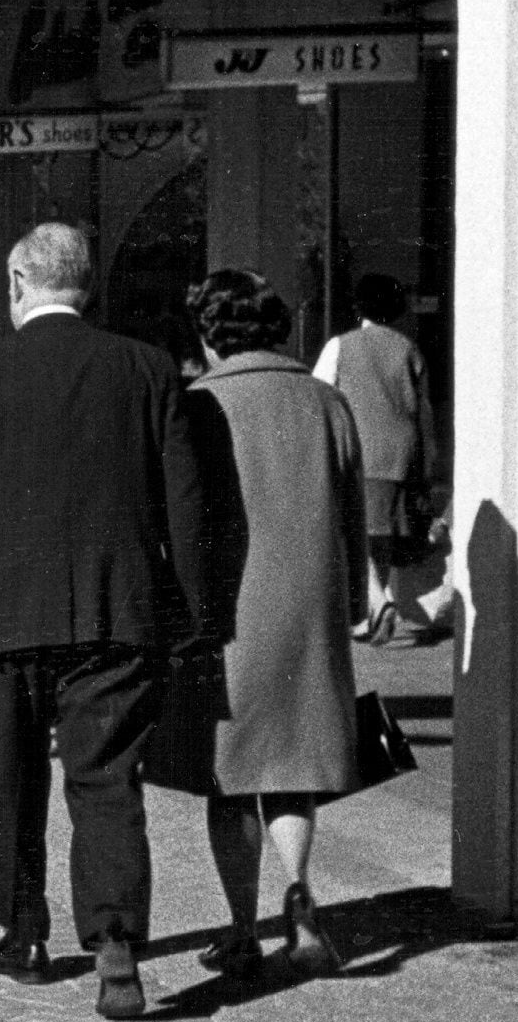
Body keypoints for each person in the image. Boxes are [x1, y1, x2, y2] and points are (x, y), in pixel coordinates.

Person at [0, 221, 208, 1021]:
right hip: (119, 612)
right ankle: (114, 940)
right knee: (108, 780)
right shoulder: (147, 369)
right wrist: (196, 611)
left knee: (13, 775)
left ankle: (25, 930)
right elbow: (184, 500)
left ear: (15, 283)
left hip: (5, 617)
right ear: (87, 286)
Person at [156, 268, 370, 982]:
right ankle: (301, 895)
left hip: (227, 608)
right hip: (312, 602)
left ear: (209, 333)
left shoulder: (199, 403)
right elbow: (351, 513)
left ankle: (243, 927)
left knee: (229, 772)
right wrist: (355, 601)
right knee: (292, 765)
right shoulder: (326, 401)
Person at [311, 273, 440, 644]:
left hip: (358, 452)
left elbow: (319, 394)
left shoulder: (341, 345)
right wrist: (428, 464)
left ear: (358, 305)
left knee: (350, 531)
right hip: (402, 454)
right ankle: (371, 611)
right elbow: (424, 412)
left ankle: (376, 604)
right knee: (380, 535)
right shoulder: (408, 348)